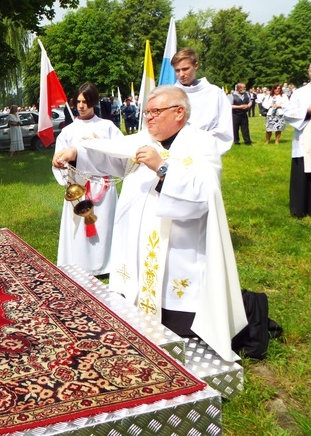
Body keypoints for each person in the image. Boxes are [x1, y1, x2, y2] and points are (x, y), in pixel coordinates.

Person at [52, 85, 247, 361]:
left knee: (175, 314)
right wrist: (77, 153)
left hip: (180, 247)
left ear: (179, 112)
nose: (148, 118)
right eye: (147, 112)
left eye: (156, 112)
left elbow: (205, 195)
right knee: (134, 308)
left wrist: (162, 168)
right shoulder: (143, 139)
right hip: (137, 242)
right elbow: (113, 154)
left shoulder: (201, 143)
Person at [51, 83, 123, 276]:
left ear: (94, 102)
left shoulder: (107, 127)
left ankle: (106, 264)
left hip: (103, 186)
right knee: (79, 227)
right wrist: (58, 161)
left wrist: (86, 150)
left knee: (103, 225)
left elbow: (118, 155)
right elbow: (59, 156)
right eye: (78, 102)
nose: (81, 106)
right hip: (78, 187)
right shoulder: (68, 131)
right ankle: (79, 263)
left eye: (86, 102)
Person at [172, 48, 233, 154]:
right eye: (177, 70)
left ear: (196, 66)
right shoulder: (170, 94)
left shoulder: (215, 93)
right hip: (176, 151)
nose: (181, 74)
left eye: (185, 69)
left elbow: (224, 129)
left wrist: (199, 144)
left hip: (207, 152)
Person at [284, 64, 311, 217]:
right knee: (302, 171)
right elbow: (288, 112)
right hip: (305, 134)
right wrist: (306, 111)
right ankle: (300, 208)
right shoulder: (299, 93)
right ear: (308, 72)